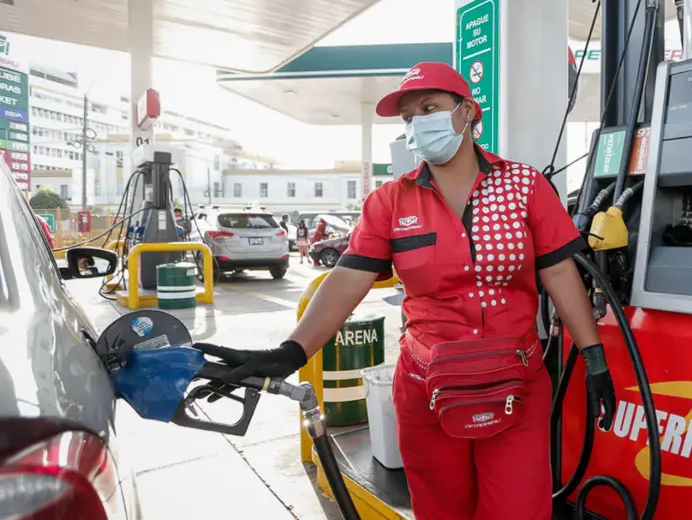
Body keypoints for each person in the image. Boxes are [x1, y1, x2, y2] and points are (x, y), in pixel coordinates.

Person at [194, 62, 616, 520]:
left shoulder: (524, 186)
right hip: (426, 391)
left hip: (515, 386)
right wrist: (291, 352)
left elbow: (559, 273)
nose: (418, 123)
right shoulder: (390, 201)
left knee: (517, 510)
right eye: (409, 116)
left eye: (430, 108)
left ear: (467, 112)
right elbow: (348, 277)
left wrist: (594, 358)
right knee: (440, 511)